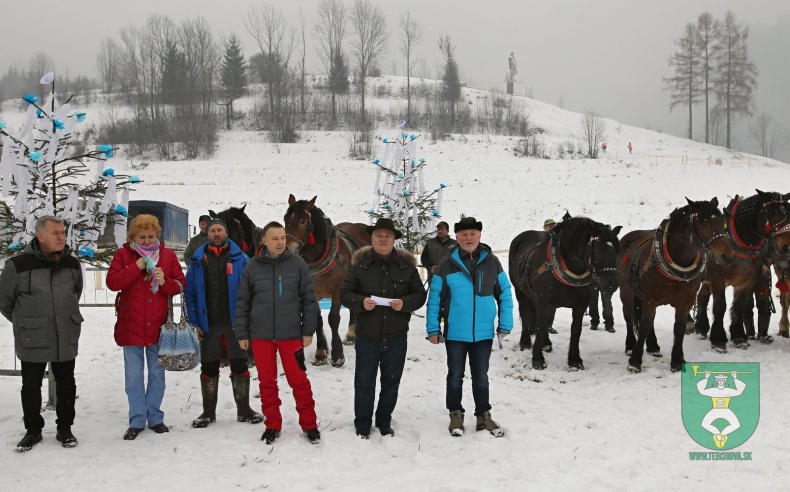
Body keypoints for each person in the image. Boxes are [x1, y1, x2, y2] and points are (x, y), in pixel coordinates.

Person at [0, 216, 83, 452]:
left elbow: (75, 294)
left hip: (65, 332)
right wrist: (25, 322)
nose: (61, 237)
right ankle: (33, 430)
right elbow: (5, 301)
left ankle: (65, 428)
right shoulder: (17, 265)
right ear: (40, 236)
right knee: (31, 384)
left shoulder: (72, 264)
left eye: (63, 232)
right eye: (55, 233)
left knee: (67, 383)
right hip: (32, 335)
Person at [426, 216, 513, 438]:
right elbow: (435, 296)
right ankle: (455, 414)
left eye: (472, 233)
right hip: (455, 333)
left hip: (483, 334)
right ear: (457, 237)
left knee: (481, 376)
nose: (468, 238)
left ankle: (484, 416)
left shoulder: (492, 262)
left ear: (479, 236)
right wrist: (433, 328)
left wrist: (505, 324)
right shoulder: (447, 264)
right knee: (455, 375)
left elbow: (504, 293)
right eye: (464, 234)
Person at [234, 221, 321, 445]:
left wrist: (308, 330)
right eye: (275, 238)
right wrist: (242, 333)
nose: (281, 242)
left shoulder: (298, 264)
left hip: (291, 335)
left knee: (299, 381)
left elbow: (309, 300)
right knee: (267, 382)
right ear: (264, 241)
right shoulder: (252, 266)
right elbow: (243, 301)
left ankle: (309, 424)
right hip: (261, 336)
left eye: (283, 237)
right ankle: (272, 424)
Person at [340, 218, 426, 439]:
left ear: (394, 240)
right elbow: (345, 294)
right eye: (378, 235)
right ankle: (362, 424)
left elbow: (419, 295)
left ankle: (384, 421)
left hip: (396, 336)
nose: (382, 239)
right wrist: (361, 302)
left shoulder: (406, 267)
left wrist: (404, 303)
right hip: (367, 336)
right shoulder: (359, 266)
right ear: (372, 238)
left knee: (391, 382)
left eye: (387, 236)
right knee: (364, 383)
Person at [107, 214, 186, 441]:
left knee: (157, 375)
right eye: (141, 236)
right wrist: (137, 266)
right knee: (133, 376)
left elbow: (180, 285)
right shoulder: (123, 255)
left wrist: (164, 282)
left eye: (151, 236)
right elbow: (113, 283)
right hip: (130, 325)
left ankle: (156, 417)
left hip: (158, 327)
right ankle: (137, 419)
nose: (146, 240)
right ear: (133, 236)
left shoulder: (168, 256)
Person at [185, 218, 262, 428]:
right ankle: (208, 412)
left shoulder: (242, 259)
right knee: (209, 367)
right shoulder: (197, 260)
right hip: (208, 322)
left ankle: (244, 410)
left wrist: (248, 319)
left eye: (220, 230)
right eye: (212, 231)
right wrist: (194, 321)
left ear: (226, 233)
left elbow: (252, 292)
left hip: (234, 323)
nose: (216, 234)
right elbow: (190, 293)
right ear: (207, 234)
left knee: (239, 363)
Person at [542, 219, 558, 334]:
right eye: (549, 226)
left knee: (552, 304)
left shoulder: (557, 240)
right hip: (542, 276)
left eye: (553, 225)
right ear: (544, 227)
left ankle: (548, 325)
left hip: (554, 277)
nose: (551, 227)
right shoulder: (542, 239)